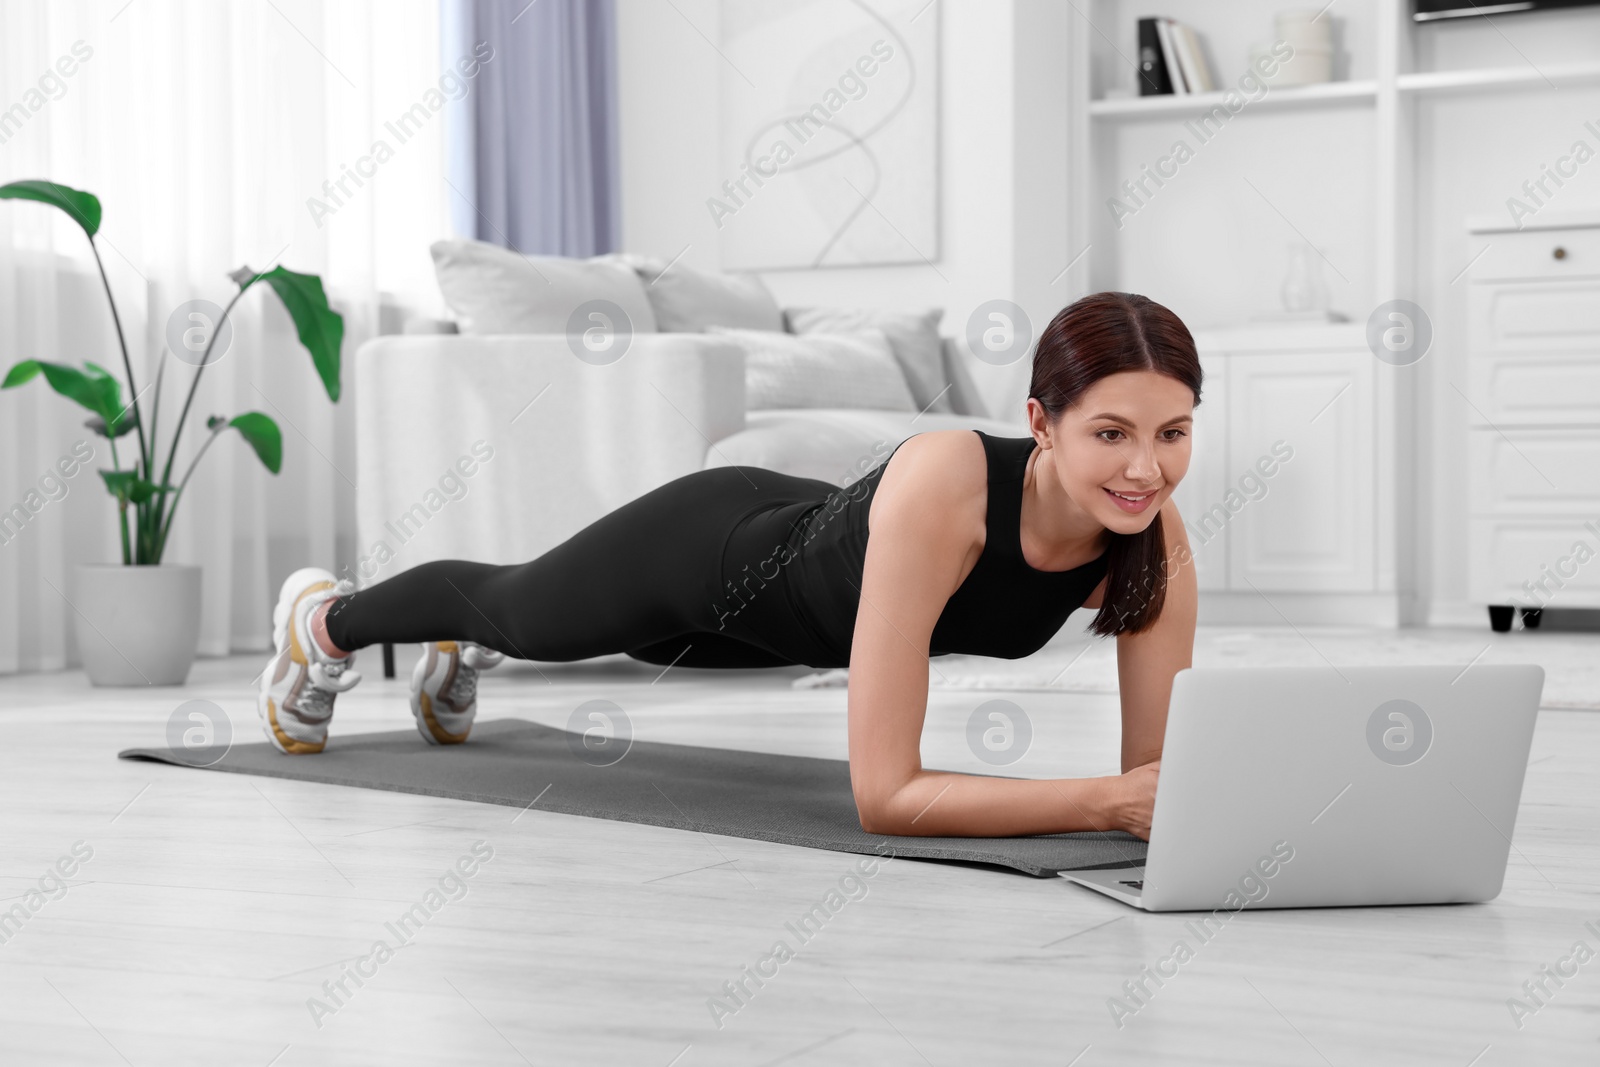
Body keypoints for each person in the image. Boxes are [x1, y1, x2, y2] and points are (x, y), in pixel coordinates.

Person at [256, 291, 1199, 842]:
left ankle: (463, 646)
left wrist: (1155, 801)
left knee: (603, 645)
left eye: (1173, 433)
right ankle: (325, 621)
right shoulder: (949, 480)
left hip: (769, 635)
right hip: (711, 554)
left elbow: (1155, 782)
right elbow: (885, 796)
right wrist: (1101, 802)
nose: (1144, 468)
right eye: (1110, 433)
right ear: (1040, 423)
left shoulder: (1153, 542)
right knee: (521, 612)